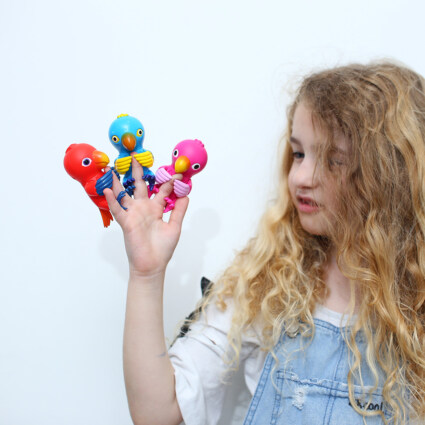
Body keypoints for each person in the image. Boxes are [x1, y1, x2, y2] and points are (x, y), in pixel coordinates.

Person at [104, 61, 425, 425]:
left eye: (334, 160)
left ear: (391, 175)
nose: (300, 177)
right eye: (299, 154)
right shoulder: (267, 285)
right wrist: (146, 274)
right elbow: (157, 413)